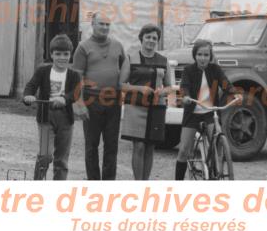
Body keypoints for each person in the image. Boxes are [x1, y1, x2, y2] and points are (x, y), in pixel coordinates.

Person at [72, 11, 128, 180]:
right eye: (101, 24)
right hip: (92, 100)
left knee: (112, 146)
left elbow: (125, 66)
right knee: (92, 145)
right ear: (93, 25)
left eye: (107, 24)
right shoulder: (83, 47)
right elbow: (77, 78)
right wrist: (80, 103)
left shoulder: (118, 46)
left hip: (113, 101)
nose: (104, 27)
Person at [175, 39, 241, 180]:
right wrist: (185, 96)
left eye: (206, 55)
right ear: (195, 55)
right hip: (192, 114)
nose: (203, 58)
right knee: (183, 150)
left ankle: (215, 172)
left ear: (210, 56)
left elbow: (226, 84)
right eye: (200, 54)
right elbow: (184, 86)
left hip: (210, 113)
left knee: (217, 144)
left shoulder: (215, 70)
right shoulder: (188, 70)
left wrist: (234, 93)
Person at [21, 34, 82, 180]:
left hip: (65, 119)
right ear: (51, 54)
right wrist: (28, 96)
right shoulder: (43, 71)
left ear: (70, 55)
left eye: (66, 54)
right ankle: (38, 183)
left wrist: (64, 99)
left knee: (61, 159)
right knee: (45, 155)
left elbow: (76, 93)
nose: (62, 58)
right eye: (58, 54)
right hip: (45, 117)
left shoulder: (74, 75)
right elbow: (31, 85)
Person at [120, 24, 175, 180]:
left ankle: (146, 183)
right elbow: (121, 85)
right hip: (135, 107)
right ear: (141, 38)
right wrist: (139, 89)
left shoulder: (163, 60)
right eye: (148, 37)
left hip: (157, 107)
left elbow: (169, 87)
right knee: (139, 146)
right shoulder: (131, 58)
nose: (151, 40)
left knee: (150, 147)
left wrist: (161, 91)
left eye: (154, 38)